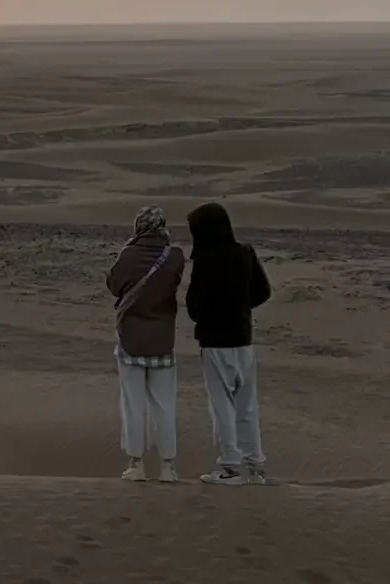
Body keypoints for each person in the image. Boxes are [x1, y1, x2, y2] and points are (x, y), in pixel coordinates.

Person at [186, 202, 272, 485]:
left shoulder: (205, 260)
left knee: (222, 406)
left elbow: (194, 306)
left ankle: (230, 467)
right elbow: (262, 291)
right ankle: (256, 466)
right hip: (243, 340)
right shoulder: (245, 253)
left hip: (215, 343)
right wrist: (241, 308)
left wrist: (212, 315)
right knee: (247, 405)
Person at [106, 205, 186, 483]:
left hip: (130, 341)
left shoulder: (129, 254)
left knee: (133, 405)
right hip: (163, 341)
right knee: (165, 405)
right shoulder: (175, 256)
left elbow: (114, 286)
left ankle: (136, 464)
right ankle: (168, 467)